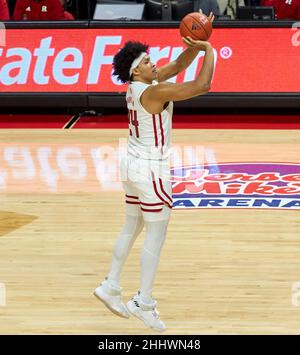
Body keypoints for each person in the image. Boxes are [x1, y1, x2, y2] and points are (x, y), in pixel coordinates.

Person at [94, 12, 215, 332]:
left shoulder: (138, 86)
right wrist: (210, 51)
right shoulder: (154, 92)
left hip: (131, 164)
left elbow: (176, 65)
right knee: (156, 236)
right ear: (137, 70)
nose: (154, 64)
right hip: (151, 169)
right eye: (148, 61)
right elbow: (203, 85)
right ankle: (143, 302)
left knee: (130, 227)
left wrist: (198, 44)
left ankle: (110, 286)